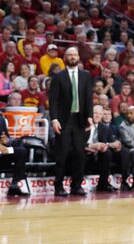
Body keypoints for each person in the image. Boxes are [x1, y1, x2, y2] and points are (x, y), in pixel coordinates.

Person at [49, 46, 92, 197]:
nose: (73, 57)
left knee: (80, 154)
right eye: (70, 55)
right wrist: (54, 119)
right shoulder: (58, 76)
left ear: (78, 57)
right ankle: (58, 186)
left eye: (75, 54)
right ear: (65, 58)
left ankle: (76, 186)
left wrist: (90, 116)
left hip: (80, 120)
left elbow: (88, 99)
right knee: (62, 154)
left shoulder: (86, 76)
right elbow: (53, 100)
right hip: (63, 120)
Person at [85, 104, 121, 192]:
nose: (97, 116)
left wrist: (115, 144)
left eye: (100, 114)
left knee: (107, 153)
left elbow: (111, 141)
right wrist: (90, 146)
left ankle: (103, 184)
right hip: (85, 152)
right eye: (95, 113)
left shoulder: (104, 127)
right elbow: (77, 142)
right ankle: (78, 185)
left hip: (98, 154)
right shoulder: (84, 125)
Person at [0, 111, 30, 196]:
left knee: (21, 151)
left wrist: (7, 141)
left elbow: (6, 139)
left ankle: (14, 185)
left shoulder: (1, 119)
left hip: (3, 152)